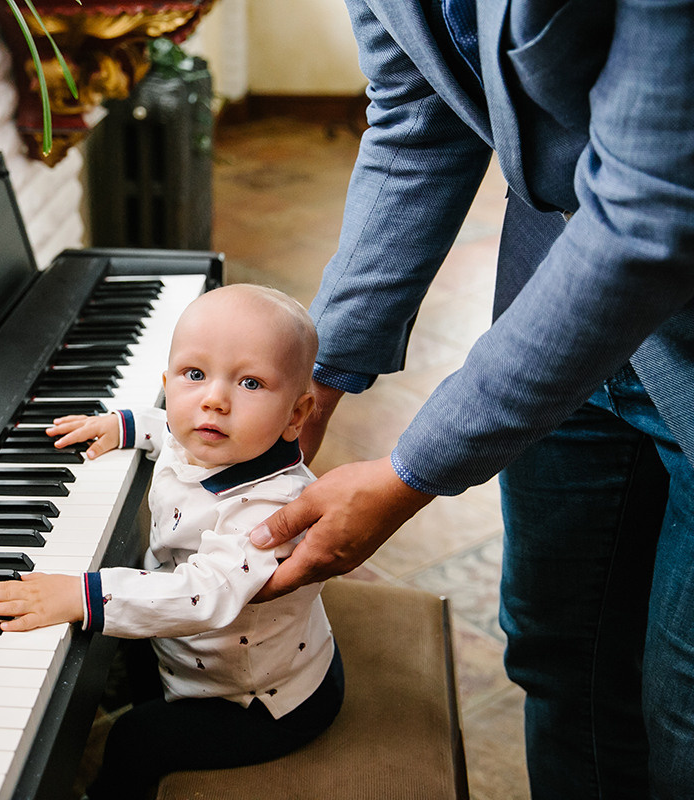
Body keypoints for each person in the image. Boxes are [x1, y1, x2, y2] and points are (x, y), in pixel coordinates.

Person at [245, 1, 694, 797]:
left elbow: (651, 207)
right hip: (553, 303)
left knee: (682, 714)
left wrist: (411, 472)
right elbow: (418, 118)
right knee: (562, 654)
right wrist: (308, 381)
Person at [0, 284, 344, 799]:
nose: (213, 399)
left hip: (261, 699)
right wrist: (124, 425)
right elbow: (170, 429)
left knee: (136, 738)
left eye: (251, 382)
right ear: (168, 382)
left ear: (297, 415)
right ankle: (148, 689)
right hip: (204, 655)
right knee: (136, 644)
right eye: (195, 375)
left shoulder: (272, 507)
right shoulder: (213, 433)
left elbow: (204, 593)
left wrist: (82, 595)